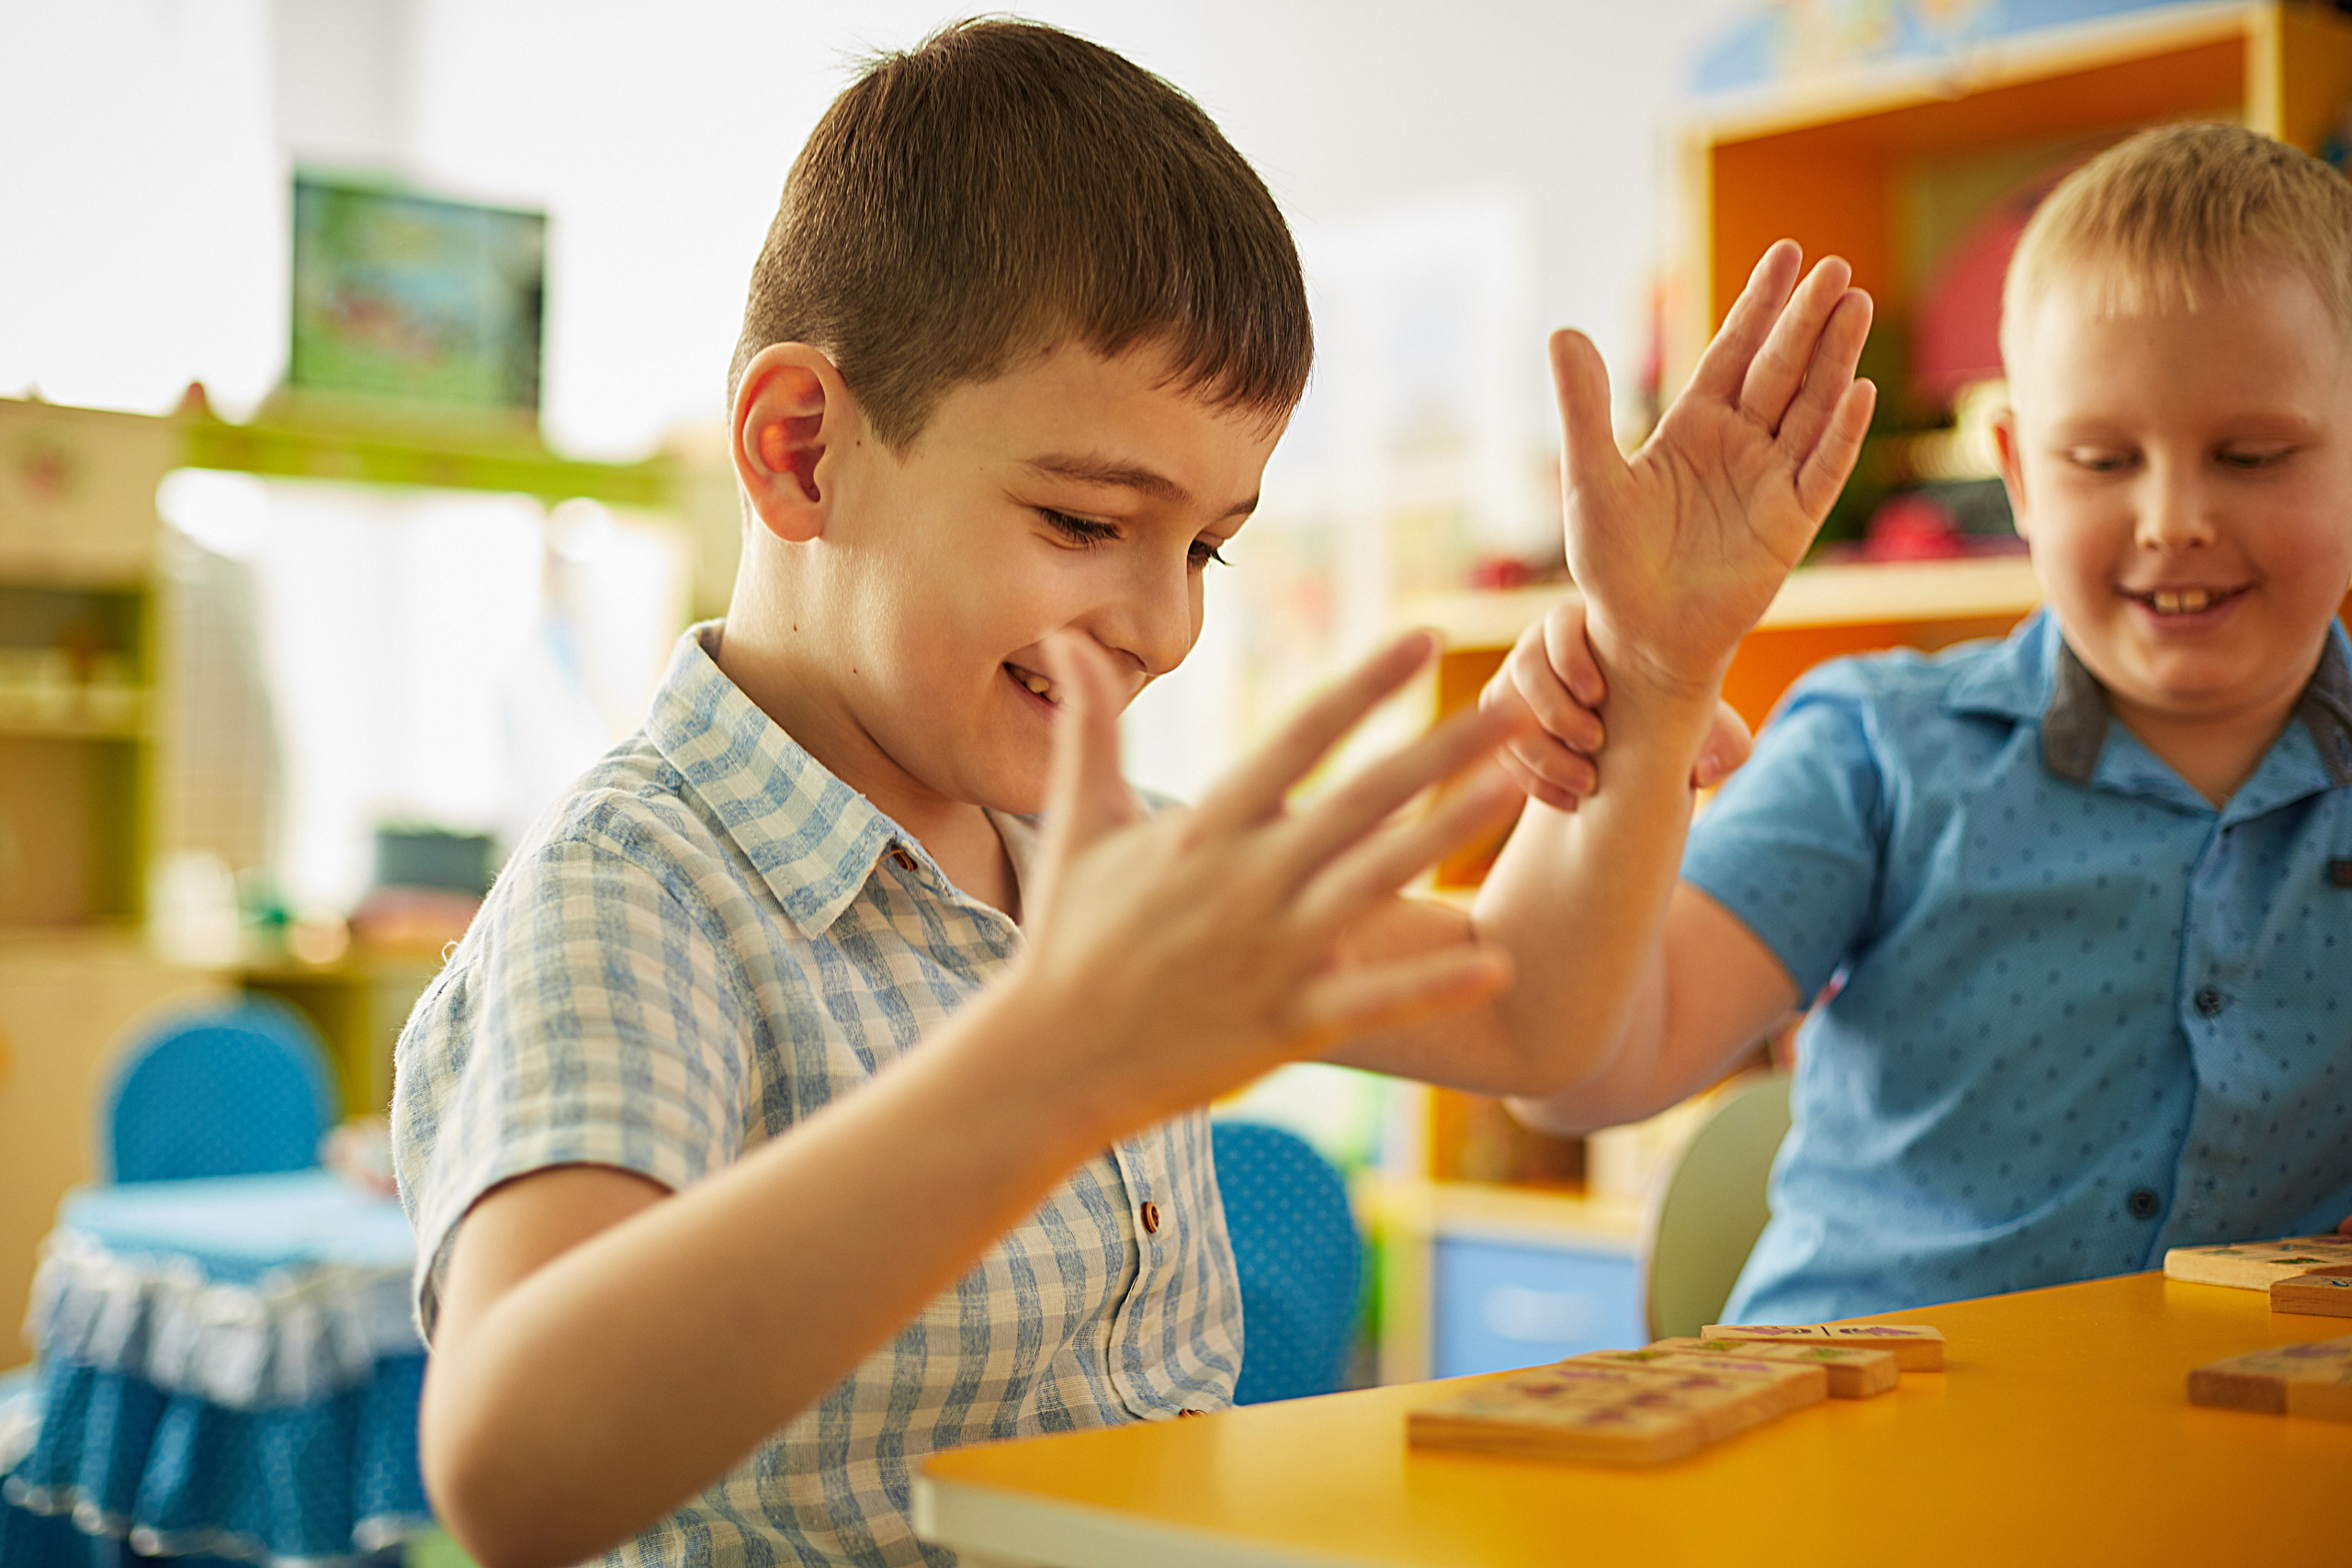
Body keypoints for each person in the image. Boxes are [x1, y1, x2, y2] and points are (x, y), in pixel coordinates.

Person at [391, 19, 1870, 1567]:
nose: (1167, 626)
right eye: (1088, 523)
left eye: (1208, 546)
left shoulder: (1102, 854)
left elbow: (1531, 1020)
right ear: (802, 450)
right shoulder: (638, 892)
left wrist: (1655, 680)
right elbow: (514, 1467)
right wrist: (1049, 1070)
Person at [1478, 122, 2352, 1325]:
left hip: (2211, 1441)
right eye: (2101, 460)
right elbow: (1579, 1073)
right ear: (2018, 475)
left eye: (2251, 456)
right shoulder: (1880, 749)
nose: (2173, 519)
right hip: (1852, 1417)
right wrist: (1643, 691)